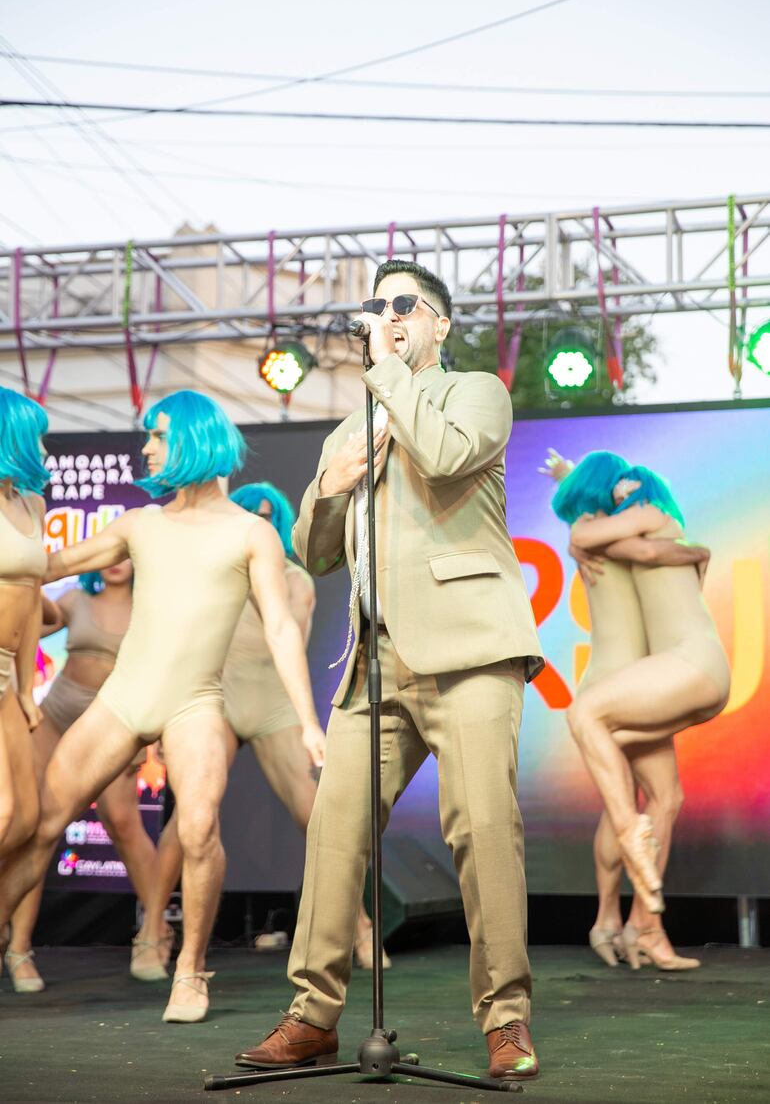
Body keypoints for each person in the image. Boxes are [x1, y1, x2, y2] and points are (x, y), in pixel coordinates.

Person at [235, 260, 544, 1083]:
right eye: (378, 305)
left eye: (405, 305)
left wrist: (384, 373)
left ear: (440, 324)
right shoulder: (350, 426)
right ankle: (312, 1015)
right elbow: (316, 549)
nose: (390, 315)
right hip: (375, 662)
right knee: (333, 833)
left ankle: (506, 1019)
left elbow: (443, 458)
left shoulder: (473, 392)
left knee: (482, 833)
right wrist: (330, 488)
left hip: (471, 650)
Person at [0, 390, 324, 1024]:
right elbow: (46, 564)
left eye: (156, 435)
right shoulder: (140, 524)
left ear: (195, 440)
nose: (145, 447)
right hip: (122, 697)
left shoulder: (250, 532)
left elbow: (283, 628)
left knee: (199, 828)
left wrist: (309, 720)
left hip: (196, 703)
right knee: (42, 826)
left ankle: (190, 970)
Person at [143, 482, 388, 971]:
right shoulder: (210, 571)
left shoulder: (296, 580)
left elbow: (289, 636)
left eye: (266, 514)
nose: (257, 520)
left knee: (316, 814)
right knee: (188, 815)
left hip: (274, 702)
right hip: (218, 693)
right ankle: (150, 933)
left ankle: (360, 926)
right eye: (247, 513)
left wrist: (254, 577)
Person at [547, 449, 708, 970]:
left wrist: (568, 476)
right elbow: (653, 553)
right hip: (624, 684)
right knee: (658, 800)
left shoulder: (589, 527)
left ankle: (609, 922)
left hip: (616, 677)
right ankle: (638, 925)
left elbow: (585, 511)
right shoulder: (606, 532)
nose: (625, 490)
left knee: (637, 801)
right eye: (616, 484)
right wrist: (695, 552)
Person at [4, 562, 172, 993]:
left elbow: (158, 671)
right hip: (58, 714)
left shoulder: (151, 606)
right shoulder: (76, 599)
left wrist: (145, 735)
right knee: (38, 826)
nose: (117, 564)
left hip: (114, 721)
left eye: (126, 555)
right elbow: (25, 627)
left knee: (123, 822)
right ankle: (19, 948)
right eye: (109, 557)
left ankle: (154, 933)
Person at [0, 387, 47, 865]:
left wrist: (28, 688)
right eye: (37, 438)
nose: (45, 450)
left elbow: (32, 600)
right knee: (4, 809)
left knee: (27, 818)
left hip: (9, 674)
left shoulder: (33, 505)